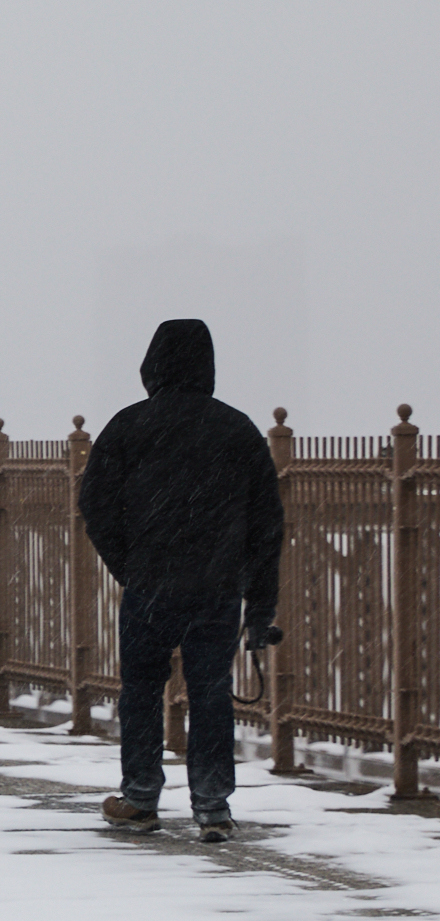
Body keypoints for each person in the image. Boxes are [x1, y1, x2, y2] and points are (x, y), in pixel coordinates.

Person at [76, 318, 283, 844]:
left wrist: (133, 565)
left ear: (152, 364)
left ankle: (141, 797)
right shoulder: (237, 429)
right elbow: (266, 527)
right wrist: (258, 607)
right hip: (216, 590)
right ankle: (213, 807)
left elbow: (95, 507)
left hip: (152, 587)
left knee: (141, 690)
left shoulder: (129, 426)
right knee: (211, 692)